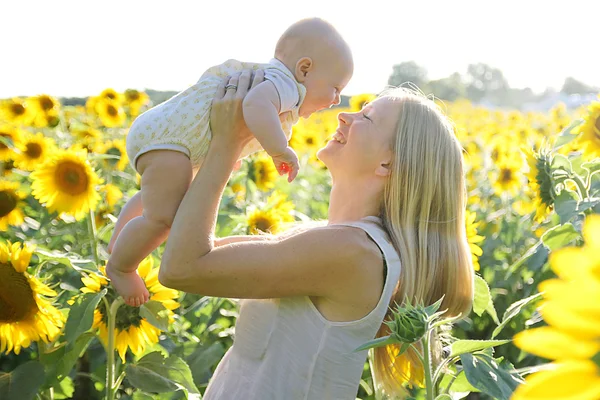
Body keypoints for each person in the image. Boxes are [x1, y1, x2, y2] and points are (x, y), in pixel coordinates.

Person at [158, 69, 475, 399]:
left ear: (387, 164)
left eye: (366, 116)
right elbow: (186, 242)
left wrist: (227, 143)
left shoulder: (353, 252)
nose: (343, 116)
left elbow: (182, 266)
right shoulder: (330, 239)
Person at [106, 18, 354, 307]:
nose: (337, 99)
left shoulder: (275, 81)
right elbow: (255, 107)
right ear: (305, 69)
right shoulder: (285, 85)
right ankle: (121, 266)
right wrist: (280, 150)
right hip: (170, 141)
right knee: (164, 218)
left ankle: (118, 240)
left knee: (163, 196)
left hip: (167, 138)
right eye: (336, 87)